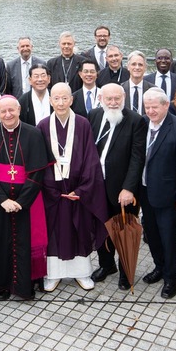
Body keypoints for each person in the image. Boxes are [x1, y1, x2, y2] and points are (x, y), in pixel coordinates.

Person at [37, 84, 108, 292]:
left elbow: (91, 159)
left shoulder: (83, 124)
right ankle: (53, 274)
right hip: (54, 192)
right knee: (54, 232)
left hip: (78, 190)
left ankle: (81, 272)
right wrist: (51, 188)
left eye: (64, 98)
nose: (60, 103)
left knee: (80, 230)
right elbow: (40, 160)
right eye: (56, 99)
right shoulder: (42, 125)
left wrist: (82, 190)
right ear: (51, 101)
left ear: (71, 100)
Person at [0, 96, 49, 300]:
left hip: (25, 202)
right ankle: (2, 286)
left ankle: (24, 286)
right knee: (0, 243)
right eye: (3, 111)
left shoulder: (33, 133)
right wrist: (2, 200)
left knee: (24, 243)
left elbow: (37, 174)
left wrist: (21, 202)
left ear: (19, 110)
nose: (7, 115)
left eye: (11, 110)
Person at [88, 83, 145, 289]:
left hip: (122, 190)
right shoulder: (93, 115)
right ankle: (106, 265)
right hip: (97, 187)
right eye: (109, 99)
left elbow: (138, 157)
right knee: (102, 229)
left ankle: (126, 271)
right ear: (101, 98)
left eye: (117, 99)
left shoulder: (135, 121)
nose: (113, 103)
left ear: (124, 98)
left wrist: (129, 188)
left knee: (124, 232)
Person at [140, 88, 176, 299]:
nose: (151, 111)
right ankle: (159, 267)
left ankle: (171, 276)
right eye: (147, 107)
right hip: (145, 191)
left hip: (169, 196)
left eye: (155, 107)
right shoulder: (142, 124)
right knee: (151, 234)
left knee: (168, 237)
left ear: (165, 105)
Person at [122, 51, 154, 117]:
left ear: (145, 68)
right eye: (133, 64)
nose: (137, 67)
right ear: (128, 67)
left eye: (140, 65)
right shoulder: (120, 89)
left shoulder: (153, 90)